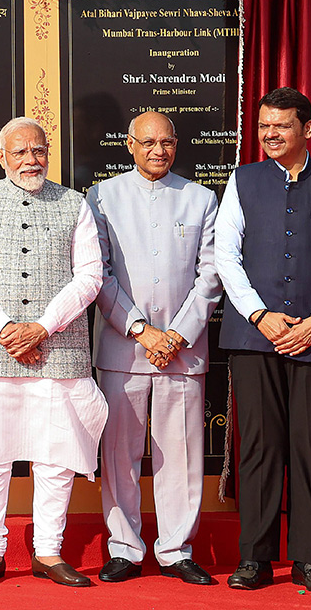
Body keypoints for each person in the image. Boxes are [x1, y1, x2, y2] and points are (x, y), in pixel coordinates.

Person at [214, 87, 311, 593]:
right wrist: (259, 314)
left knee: (310, 448)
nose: (270, 135)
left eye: (281, 126)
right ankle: (255, 559)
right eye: (264, 127)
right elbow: (226, 257)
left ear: (308, 129)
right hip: (254, 336)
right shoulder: (242, 181)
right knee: (258, 448)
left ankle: (309, 561)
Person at [0, 116, 106, 588]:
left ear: (48, 153)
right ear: (1, 157)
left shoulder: (74, 204)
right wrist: (6, 328)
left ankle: (49, 552)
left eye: (38, 151)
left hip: (57, 348)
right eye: (19, 153)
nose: (30, 160)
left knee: (55, 456)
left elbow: (90, 276)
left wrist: (40, 327)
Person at [87, 111, 222, 586]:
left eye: (166, 142)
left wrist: (178, 335)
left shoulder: (202, 198)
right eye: (147, 142)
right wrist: (143, 331)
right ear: (129, 144)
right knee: (119, 455)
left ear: (177, 144)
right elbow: (97, 274)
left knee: (182, 456)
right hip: (124, 350)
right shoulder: (102, 196)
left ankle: (176, 549)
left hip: (184, 352)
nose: (158, 151)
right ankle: (124, 547)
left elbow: (211, 274)